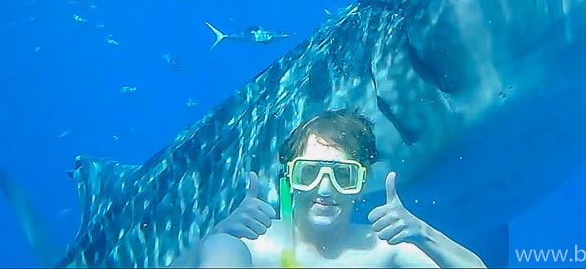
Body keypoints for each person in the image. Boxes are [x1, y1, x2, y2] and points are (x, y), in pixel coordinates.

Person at [179, 110, 486, 268]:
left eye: (343, 176)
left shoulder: (383, 250)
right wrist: (213, 236)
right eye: (309, 173)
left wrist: (423, 231)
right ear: (289, 179)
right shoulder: (245, 246)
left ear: (362, 184)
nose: (324, 189)